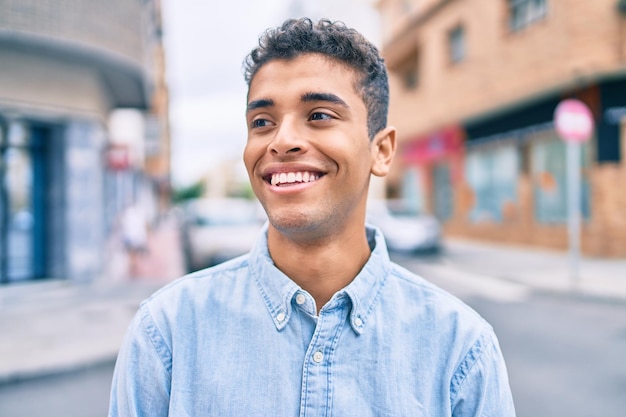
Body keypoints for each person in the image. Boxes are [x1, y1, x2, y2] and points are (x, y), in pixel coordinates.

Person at [108, 17, 516, 416]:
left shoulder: (461, 347)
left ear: (382, 150)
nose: (282, 141)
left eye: (319, 115)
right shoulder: (167, 332)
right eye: (262, 122)